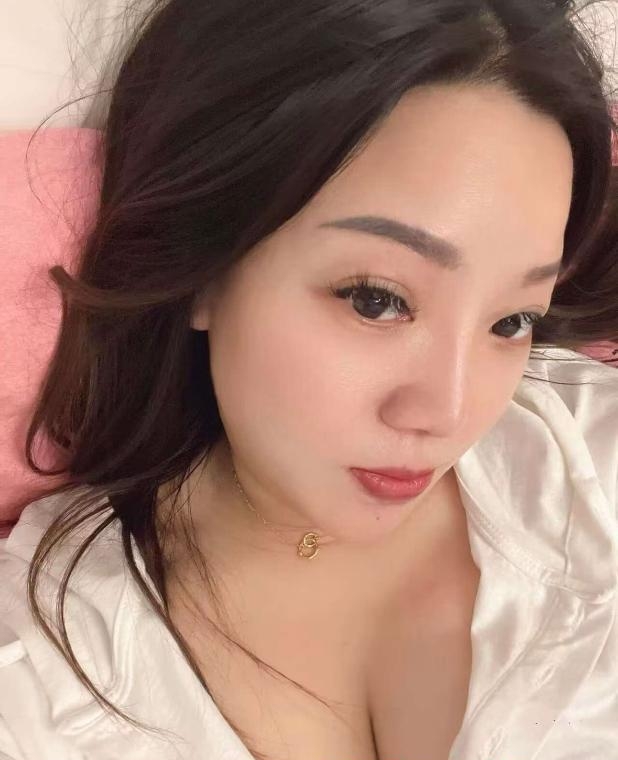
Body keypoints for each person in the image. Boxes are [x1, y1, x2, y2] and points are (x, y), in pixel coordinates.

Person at [1, 1, 618, 759]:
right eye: (376, 300)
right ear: (203, 266)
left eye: (513, 320)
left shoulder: (594, 460)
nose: (449, 412)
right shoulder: (37, 676)